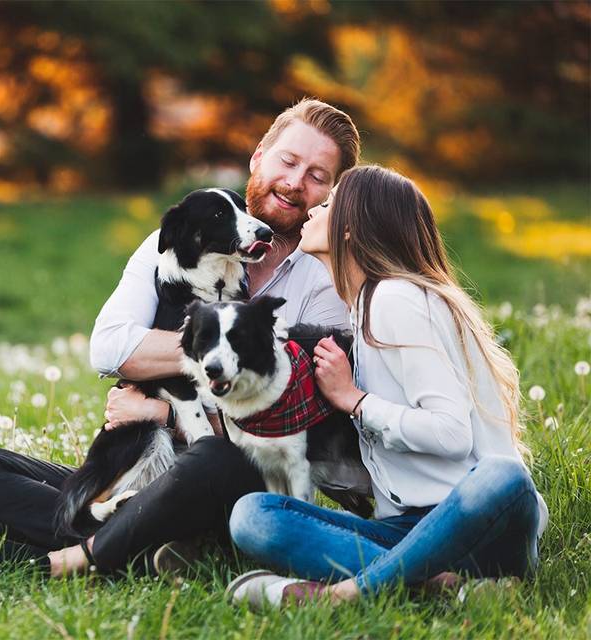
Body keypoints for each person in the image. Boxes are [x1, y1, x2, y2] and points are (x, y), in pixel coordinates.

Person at [0, 98, 361, 578]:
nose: (294, 182)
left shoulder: (325, 281)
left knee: (214, 459)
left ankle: (66, 560)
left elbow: (290, 417)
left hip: (229, 477)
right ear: (259, 156)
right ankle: (138, 548)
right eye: (288, 161)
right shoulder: (182, 237)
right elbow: (111, 348)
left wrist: (162, 409)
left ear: (333, 192)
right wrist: (231, 349)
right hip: (144, 472)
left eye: (317, 175)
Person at [226, 165, 549, 608]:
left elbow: (452, 434)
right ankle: (437, 586)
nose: (314, 209)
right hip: (410, 530)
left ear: (350, 229)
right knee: (254, 516)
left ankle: (346, 594)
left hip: (480, 523)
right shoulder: (360, 311)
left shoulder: (396, 299)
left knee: (504, 475)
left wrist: (355, 401)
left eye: (328, 203)